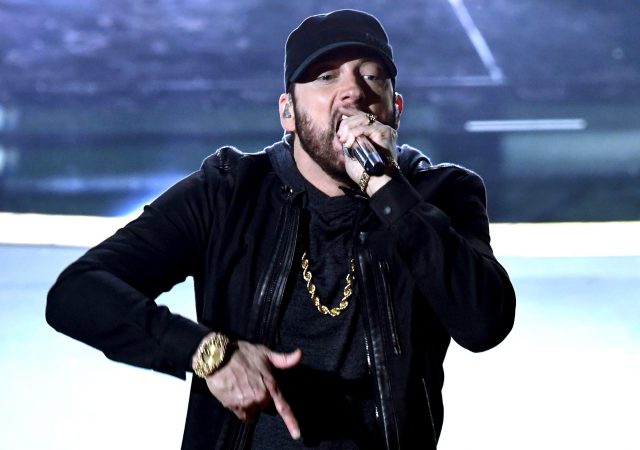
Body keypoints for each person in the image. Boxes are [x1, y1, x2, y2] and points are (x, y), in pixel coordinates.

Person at [46, 9, 516, 450]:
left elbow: (485, 324)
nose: (352, 93)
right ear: (288, 112)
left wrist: (386, 188)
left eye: (371, 76)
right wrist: (207, 352)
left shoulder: (442, 194)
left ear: (395, 108)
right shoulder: (229, 192)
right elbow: (77, 292)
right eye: (326, 77)